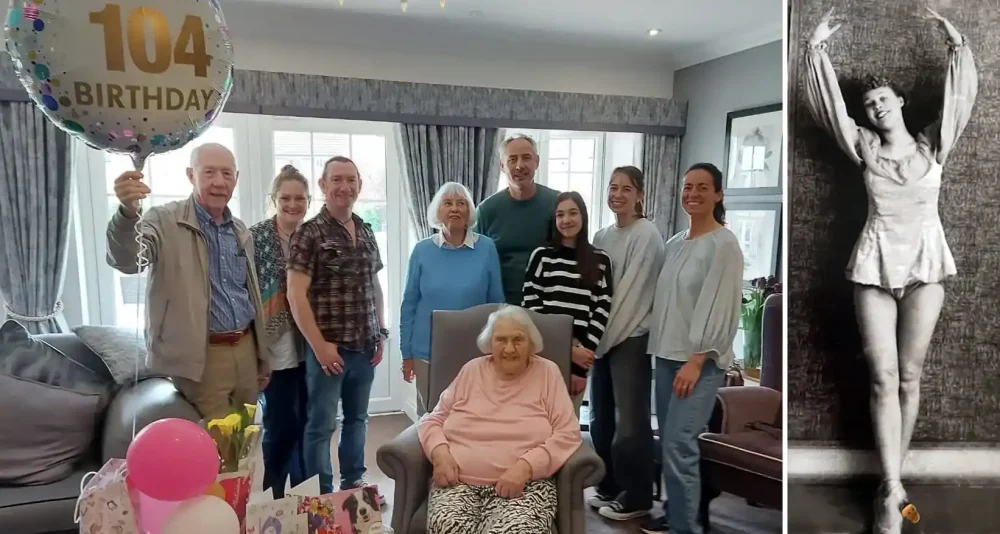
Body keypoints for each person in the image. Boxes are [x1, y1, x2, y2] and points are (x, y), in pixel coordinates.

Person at [804, 8, 977, 531]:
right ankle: (894, 492)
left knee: (909, 377)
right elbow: (831, 109)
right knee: (880, 377)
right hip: (874, 264)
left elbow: (959, 102)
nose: (876, 107)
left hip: (926, 264)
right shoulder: (864, 149)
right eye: (869, 104)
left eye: (883, 99)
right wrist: (815, 51)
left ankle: (888, 485)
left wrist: (957, 46)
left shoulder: (932, 145)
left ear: (900, 101)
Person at [106, 143, 270, 419]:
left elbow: (248, 294)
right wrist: (127, 214)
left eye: (227, 174)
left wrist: (261, 355)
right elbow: (127, 260)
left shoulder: (240, 229)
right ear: (190, 175)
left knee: (246, 438)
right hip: (202, 358)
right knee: (216, 448)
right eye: (209, 173)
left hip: (245, 347)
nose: (219, 182)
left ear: (236, 178)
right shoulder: (164, 220)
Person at [639, 163, 743, 534]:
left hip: (698, 363)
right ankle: (676, 513)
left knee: (680, 444)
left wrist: (697, 361)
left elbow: (719, 308)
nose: (692, 194)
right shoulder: (674, 244)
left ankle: (686, 529)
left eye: (702, 187)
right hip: (666, 357)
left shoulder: (724, 244)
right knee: (669, 444)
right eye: (687, 187)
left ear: (717, 194)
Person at [418, 305, 582, 534]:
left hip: (525, 487)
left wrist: (526, 467)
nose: (509, 348)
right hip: (458, 483)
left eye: (518, 339)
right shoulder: (471, 370)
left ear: (531, 343)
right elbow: (432, 420)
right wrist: (440, 454)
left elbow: (568, 433)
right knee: (447, 527)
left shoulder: (547, 373)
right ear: (490, 344)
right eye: (501, 340)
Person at [286, 156, 388, 496]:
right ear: (323, 185)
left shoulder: (366, 229)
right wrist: (319, 346)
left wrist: (381, 332)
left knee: (358, 420)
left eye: (351, 180)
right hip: (328, 349)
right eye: (337, 180)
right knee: (321, 426)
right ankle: (322, 494)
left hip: (365, 346)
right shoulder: (308, 233)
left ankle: (353, 482)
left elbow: (374, 286)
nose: (345, 187)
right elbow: (295, 294)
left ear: (359, 185)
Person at [588, 166, 663, 521]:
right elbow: (593, 292)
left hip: (629, 337)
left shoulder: (646, 235)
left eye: (626, 188)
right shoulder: (602, 236)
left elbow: (632, 297)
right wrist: (594, 340)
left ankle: (637, 497)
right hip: (602, 340)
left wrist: (601, 342)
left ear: (640, 195)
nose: (618, 193)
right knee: (600, 419)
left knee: (630, 424)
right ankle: (610, 484)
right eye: (612, 187)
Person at [399, 182, 504, 415]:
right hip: (427, 352)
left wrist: (497, 348)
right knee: (429, 417)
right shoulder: (421, 251)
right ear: (438, 211)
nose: (454, 209)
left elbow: (498, 303)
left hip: (474, 351)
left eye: (461, 203)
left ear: (470, 212)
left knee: (472, 415)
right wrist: (406, 354)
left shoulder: (486, 248)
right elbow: (409, 305)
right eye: (447, 203)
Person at [521, 191, 613, 413]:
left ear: (583, 217)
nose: (566, 220)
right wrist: (566, 349)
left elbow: (601, 312)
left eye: (573, 213)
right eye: (560, 215)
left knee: (566, 429)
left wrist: (580, 368)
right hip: (542, 358)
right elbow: (531, 309)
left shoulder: (601, 260)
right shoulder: (541, 256)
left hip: (578, 364)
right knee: (535, 424)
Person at [250, 165, 311, 499]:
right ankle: (273, 494)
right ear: (274, 199)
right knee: (279, 423)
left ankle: (303, 495)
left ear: (308, 200)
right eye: (285, 198)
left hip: (311, 344)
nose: (292, 204)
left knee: (307, 424)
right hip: (275, 344)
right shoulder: (255, 236)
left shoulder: (314, 234)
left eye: (299, 198)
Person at [475, 135, 560, 305]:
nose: (520, 165)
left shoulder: (558, 204)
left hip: (549, 306)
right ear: (502, 166)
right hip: (501, 307)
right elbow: (475, 263)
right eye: (512, 159)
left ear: (537, 161)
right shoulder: (486, 210)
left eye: (526, 158)